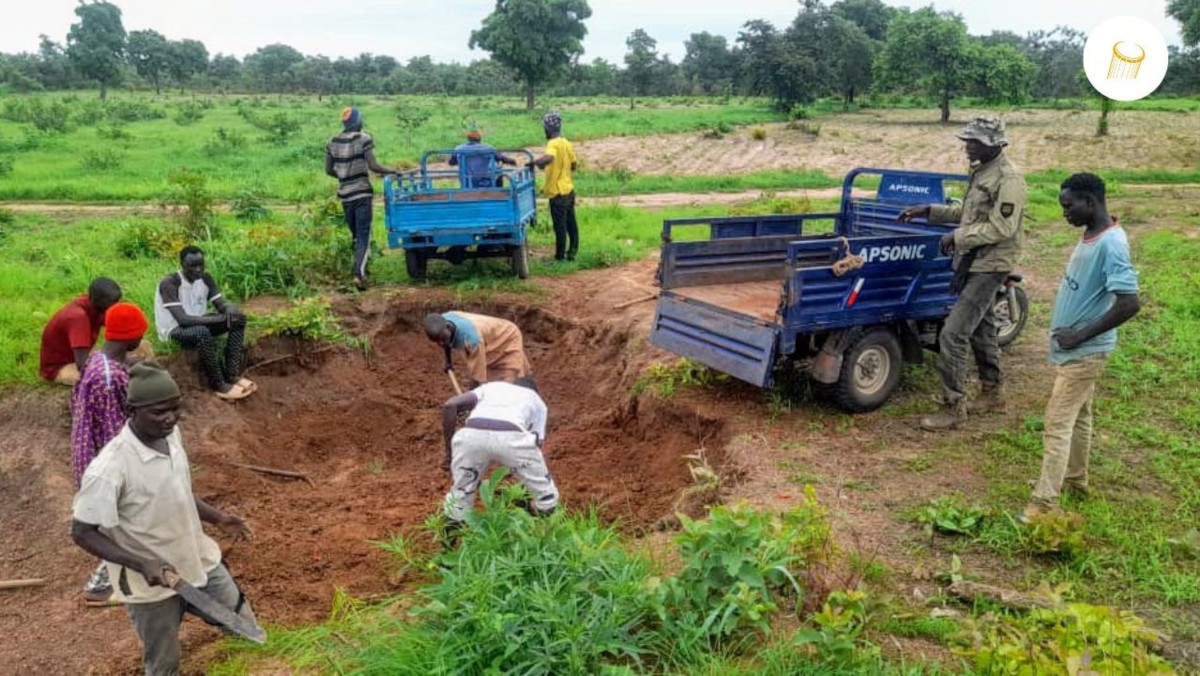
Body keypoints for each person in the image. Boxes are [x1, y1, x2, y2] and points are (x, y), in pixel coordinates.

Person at [71, 363, 259, 676]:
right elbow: (82, 532)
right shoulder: (109, 469)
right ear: (131, 409)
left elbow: (178, 490)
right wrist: (142, 563)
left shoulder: (171, 436)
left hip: (199, 559)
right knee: (164, 664)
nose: (170, 418)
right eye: (159, 412)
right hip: (152, 584)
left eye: (175, 409)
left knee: (247, 630)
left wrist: (219, 518)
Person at [1022, 173, 1140, 522]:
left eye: (1068, 206)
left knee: (1056, 423)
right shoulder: (1092, 234)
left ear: (1090, 201)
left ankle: (1043, 504)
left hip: (1086, 353)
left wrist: (1079, 335)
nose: (1064, 213)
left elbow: (1129, 303)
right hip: (1078, 350)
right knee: (1081, 417)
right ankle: (1075, 481)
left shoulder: (1112, 244)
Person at [898, 116, 1026, 431]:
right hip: (973, 261)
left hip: (990, 264)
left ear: (994, 145)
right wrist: (931, 211)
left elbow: (1002, 226)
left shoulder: (1008, 179)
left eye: (974, 142)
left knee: (953, 335)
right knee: (983, 330)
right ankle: (993, 393)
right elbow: (970, 215)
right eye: (967, 140)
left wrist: (955, 238)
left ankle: (953, 407)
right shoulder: (982, 171)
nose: (967, 146)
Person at [71, 302, 150, 605]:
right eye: (140, 334)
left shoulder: (96, 363)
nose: (141, 340)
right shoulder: (110, 379)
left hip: (87, 452)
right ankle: (101, 585)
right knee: (121, 522)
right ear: (130, 337)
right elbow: (116, 429)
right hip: (106, 459)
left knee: (116, 520)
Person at [441, 378, 559, 529]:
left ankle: (447, 549)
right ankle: (536, 522)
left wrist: (449, 454)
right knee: (547, 500)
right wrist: (523, 478)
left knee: (459, 501)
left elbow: (450, 405)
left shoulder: (492, 387)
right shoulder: (537, 401)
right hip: (512, 436)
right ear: (534, 391)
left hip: (470, 436)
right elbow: (536, 443)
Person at [154, 246, 256, 401]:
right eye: (192, 266)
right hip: (174, 330)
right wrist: (219, 319)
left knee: (238, 320)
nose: (198, 269)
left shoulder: (205, 279)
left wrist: (231, 311)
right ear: (182, 264)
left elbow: (221, 305)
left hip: (198, 322)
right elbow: (183, 320)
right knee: (202, 332)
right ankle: (219, 385)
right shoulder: (170, 283)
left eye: (201, 264)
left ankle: (232, 375)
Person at [325, 106, 399, 291]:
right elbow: (373, 166)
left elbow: (328, 170)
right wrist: (393, 171)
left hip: (345, 195)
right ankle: (358, 274)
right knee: (363, 235)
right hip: (362, 193)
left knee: (356, 235)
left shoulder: (332, 141)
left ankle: (358, 269)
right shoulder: (363, 138)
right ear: (357, 121)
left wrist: (344, 176)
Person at [39, 278, 123, 385]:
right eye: (112, 303)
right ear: (98, 301)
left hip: (82, 354)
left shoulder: (96, 305)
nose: (115, 306)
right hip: (62, 367)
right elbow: (82, 364)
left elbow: (121, 328)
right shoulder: (78, 318)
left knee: (141, 349)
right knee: (110, 379)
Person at [423, 311, 532, 387]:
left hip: (507, 335)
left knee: (508, 377)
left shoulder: (472, 340)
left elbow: (477, 376)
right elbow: (446, 343)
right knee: (490, 373)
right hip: (489, 339)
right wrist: (448, 361)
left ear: (447, 326)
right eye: (436, 341)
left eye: (442, 339)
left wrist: (471, 398)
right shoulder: (443, 320)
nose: (441, 343)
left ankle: (526, 389)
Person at [530, 110, 579, 262]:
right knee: (571, 224)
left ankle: (559, 258)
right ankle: (572, 253)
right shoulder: (566, 142)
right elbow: (574, 164)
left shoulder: (552, 143)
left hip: (557, 192)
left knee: (560, 227)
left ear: (548, 128)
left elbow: (549, 157)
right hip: (568, 189)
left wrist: (534, 163)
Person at [448, 126, 517, 188]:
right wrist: (512, 161)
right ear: (480, 138)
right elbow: (502, 158)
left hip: (467, 183)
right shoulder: (488, 148)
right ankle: (498, 193)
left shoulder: (458, 149)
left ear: (468, 138)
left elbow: (451, 162)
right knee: (498, 171)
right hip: (485, 182)